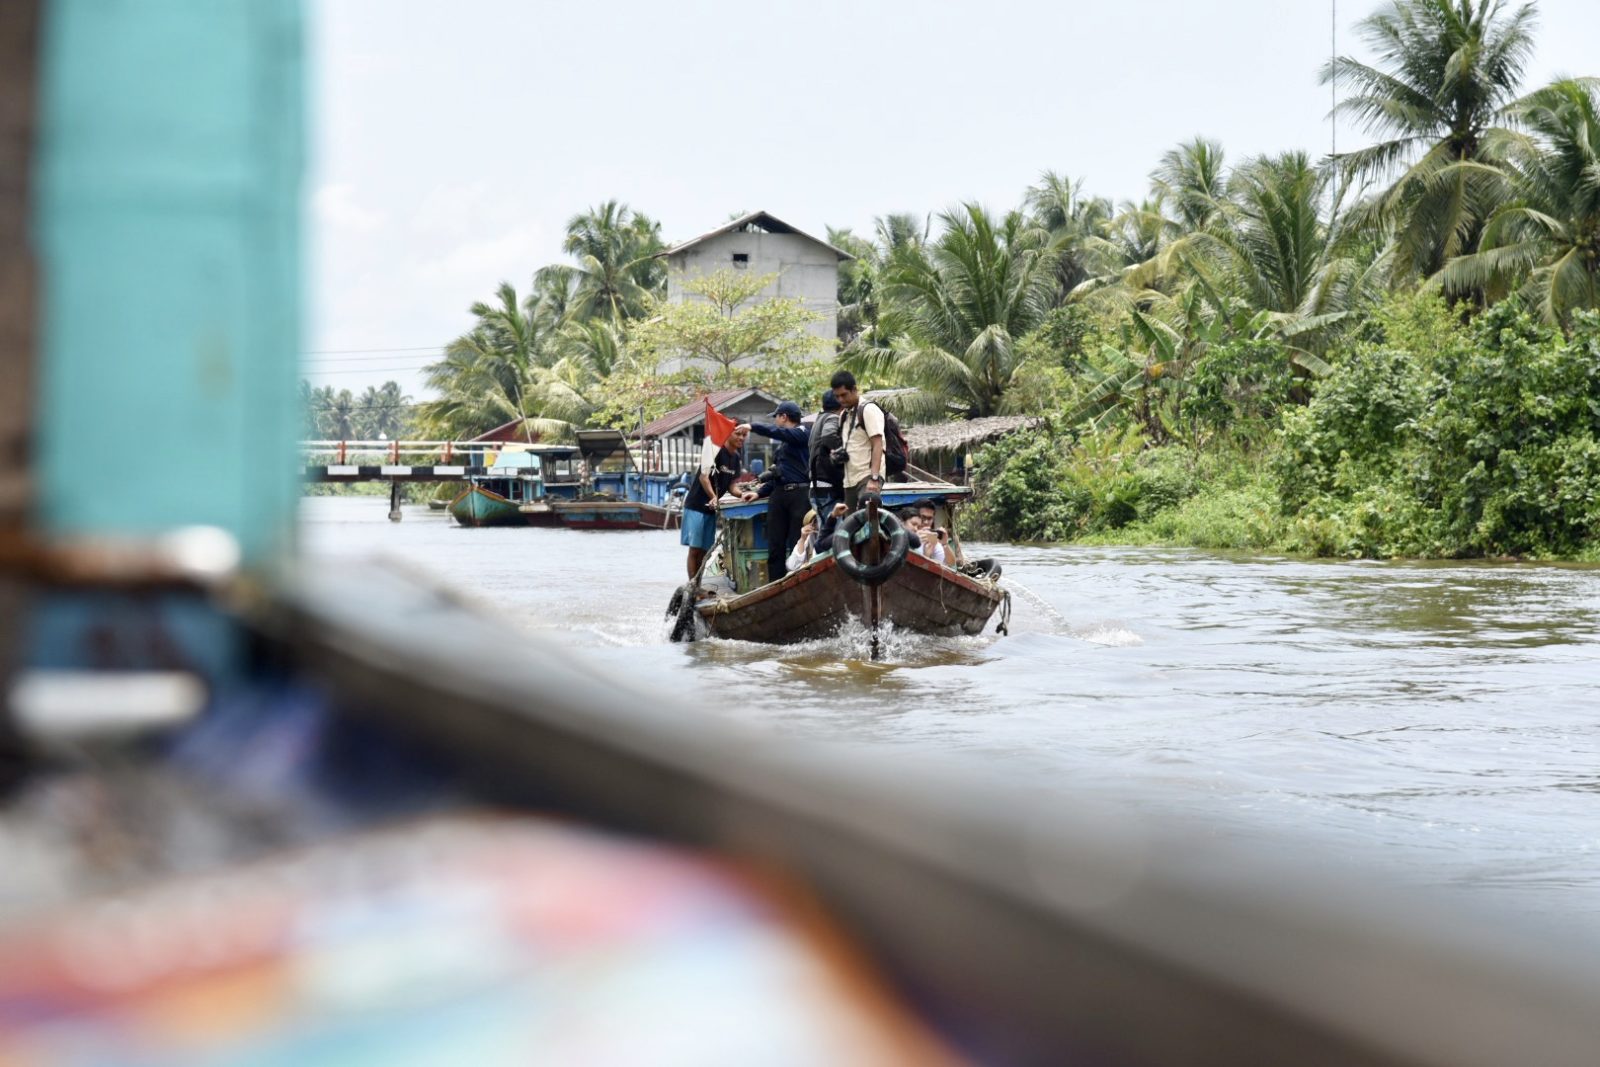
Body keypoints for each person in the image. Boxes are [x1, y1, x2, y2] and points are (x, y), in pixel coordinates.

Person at [740, 400, 812, 581]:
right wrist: (759, 492)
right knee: (775, 544)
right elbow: (777, 474)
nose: (775, 421)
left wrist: (753, 426)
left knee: (798, 542)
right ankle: (776, 584)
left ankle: (798, 583)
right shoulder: (782, 448)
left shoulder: (802, 434)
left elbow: (780, 432)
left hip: (799, 495)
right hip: (779, 495)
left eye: (776, 417)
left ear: (784, 417)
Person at [681, 424, 754, 581]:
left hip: (711, 510)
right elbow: (703, 477)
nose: (741, 438)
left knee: (705, 551)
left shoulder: (735, 458)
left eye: (744, 435)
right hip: (696, 506)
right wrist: (714, 496)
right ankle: (692, 587)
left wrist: (743, 494)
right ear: (728, 434)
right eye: (738, 434)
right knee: (695, 550)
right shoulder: (715, 452)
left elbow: (731, 485)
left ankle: (698, 584)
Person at [830, 370, 884, 509]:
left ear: (854, 389)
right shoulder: (844, 415)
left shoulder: (868, 409)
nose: (841, 400)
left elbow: (878, 444)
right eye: (837, 396)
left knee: (868, 521)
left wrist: (874, 478)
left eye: (844, 395)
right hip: (849, 480)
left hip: (867, 477)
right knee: (852, 526)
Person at [807, 389, 845, 513]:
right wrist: (845, 450)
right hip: (827, 486)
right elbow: (828, 435)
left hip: (817, 485)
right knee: (834, 529)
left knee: (825, 528)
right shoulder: (833, 418)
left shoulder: (819, 419)